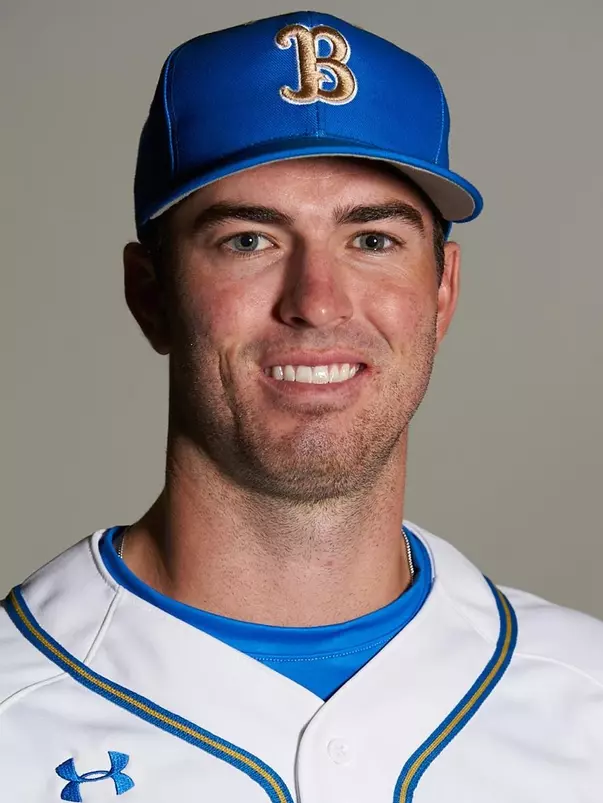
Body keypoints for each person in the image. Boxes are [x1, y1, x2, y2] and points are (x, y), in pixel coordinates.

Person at [1, 10, 601, 802]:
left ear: (443, 291)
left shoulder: (585, 701)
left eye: (373, 239)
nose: (317, 303)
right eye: (249, 239)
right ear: (150, 295)